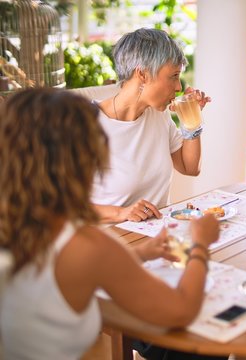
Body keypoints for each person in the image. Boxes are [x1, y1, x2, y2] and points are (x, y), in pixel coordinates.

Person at [0, 88, 220, 359]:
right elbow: (182, 310)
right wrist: (201, 243)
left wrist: (138, 253)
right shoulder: (87, 246)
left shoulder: (20, 225)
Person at [92, 28, 211, 223]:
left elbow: (190, 168)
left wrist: (191, 117)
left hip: (159, 237)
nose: (179, 87)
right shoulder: (86, 124)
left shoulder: (158, 115)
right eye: (173, 76)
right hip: (112, 243)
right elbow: (60, 204)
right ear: (143, 74)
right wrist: (122, 213)